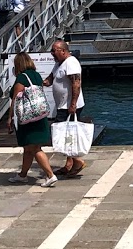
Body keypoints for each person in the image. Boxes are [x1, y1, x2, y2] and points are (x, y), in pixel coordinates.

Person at [7, 52, 58, 188]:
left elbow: (15, 100)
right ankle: (23, 175)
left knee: (34, 148)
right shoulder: (36, 75)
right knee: (28, 148)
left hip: (28, 119)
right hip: (39, 116)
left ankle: (50, 175)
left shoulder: (21, 78)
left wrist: (10, 118)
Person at [44, 39, 86, 177]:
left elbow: (76, 83)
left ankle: (77, 161)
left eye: (54, 51)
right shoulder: (59, 63)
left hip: (69, 106)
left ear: (63, 51)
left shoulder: (71, 62)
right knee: (69, 135)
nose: (52, 53)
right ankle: (69, 164)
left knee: (60, 135)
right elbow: (50, 79)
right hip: (62, 105)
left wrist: (73, 104)